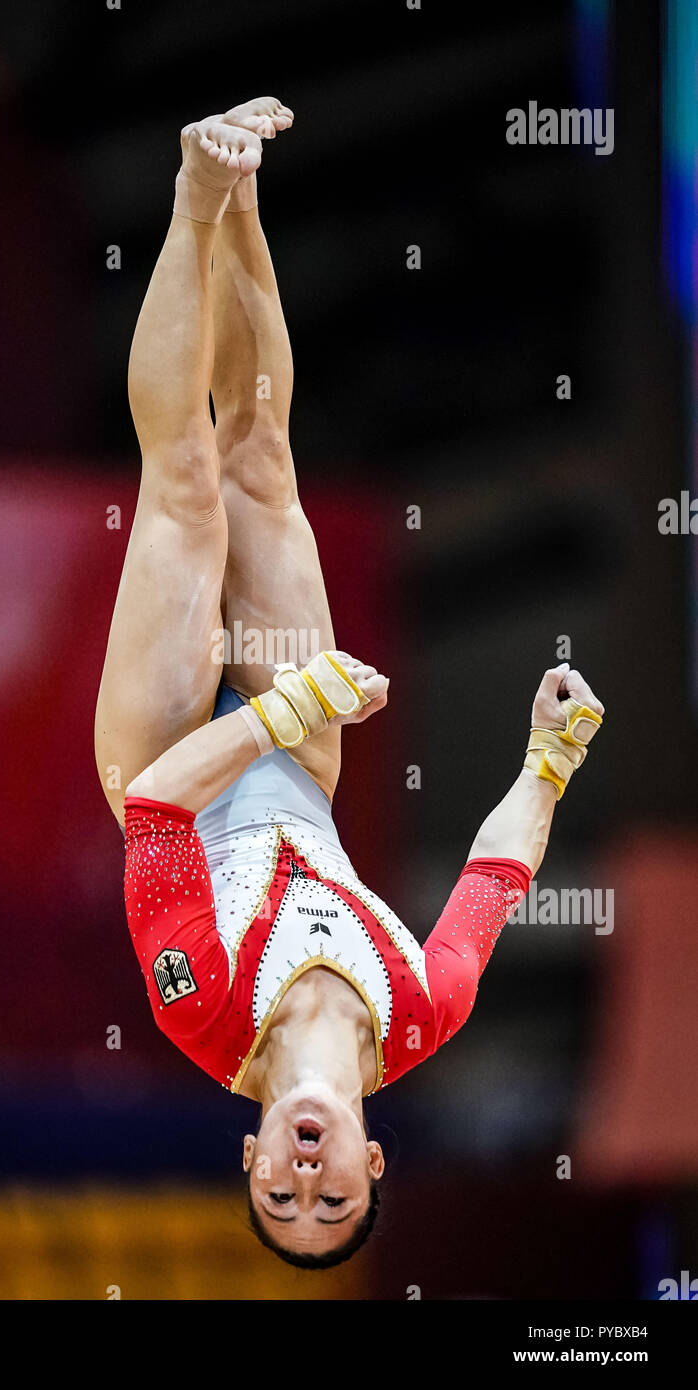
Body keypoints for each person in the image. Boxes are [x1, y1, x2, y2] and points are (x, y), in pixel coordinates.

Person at [94, 99, 605, 1268]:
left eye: (281, 1199)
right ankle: (240, 190)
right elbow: (496, 872)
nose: (306, 1183)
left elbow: (162, 807)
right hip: (297, 756)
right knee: (260, 464)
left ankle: (185, 195)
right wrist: (549, 759)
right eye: (332, 1204)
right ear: (375, 1161)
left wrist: (282, 707)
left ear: (252, 1158)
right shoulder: (422, 1010)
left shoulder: (198, 1005)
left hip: (167, 753)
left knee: (180, 484)